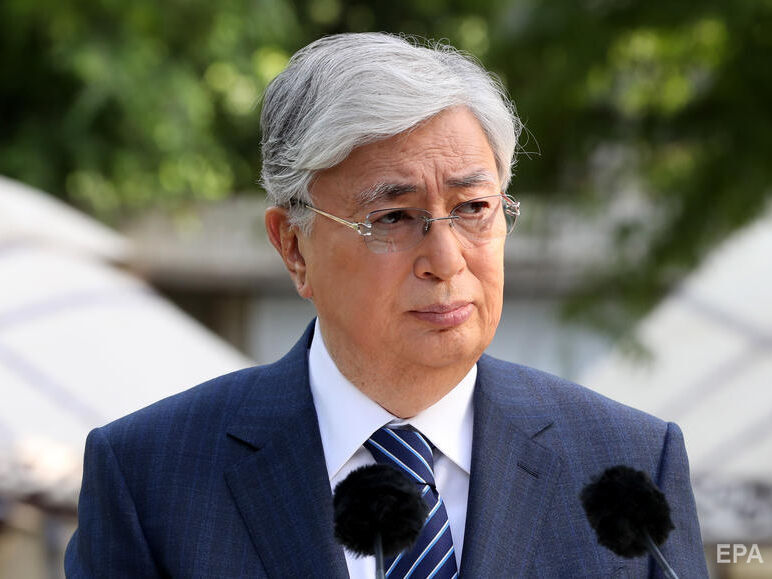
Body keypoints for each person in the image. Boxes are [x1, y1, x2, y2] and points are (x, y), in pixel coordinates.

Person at [65, 33, 708, 578]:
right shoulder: (151, 476)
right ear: (294, 247)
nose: (446, 260)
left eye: (473, 208)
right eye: (394, 217)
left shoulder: (627, 462)